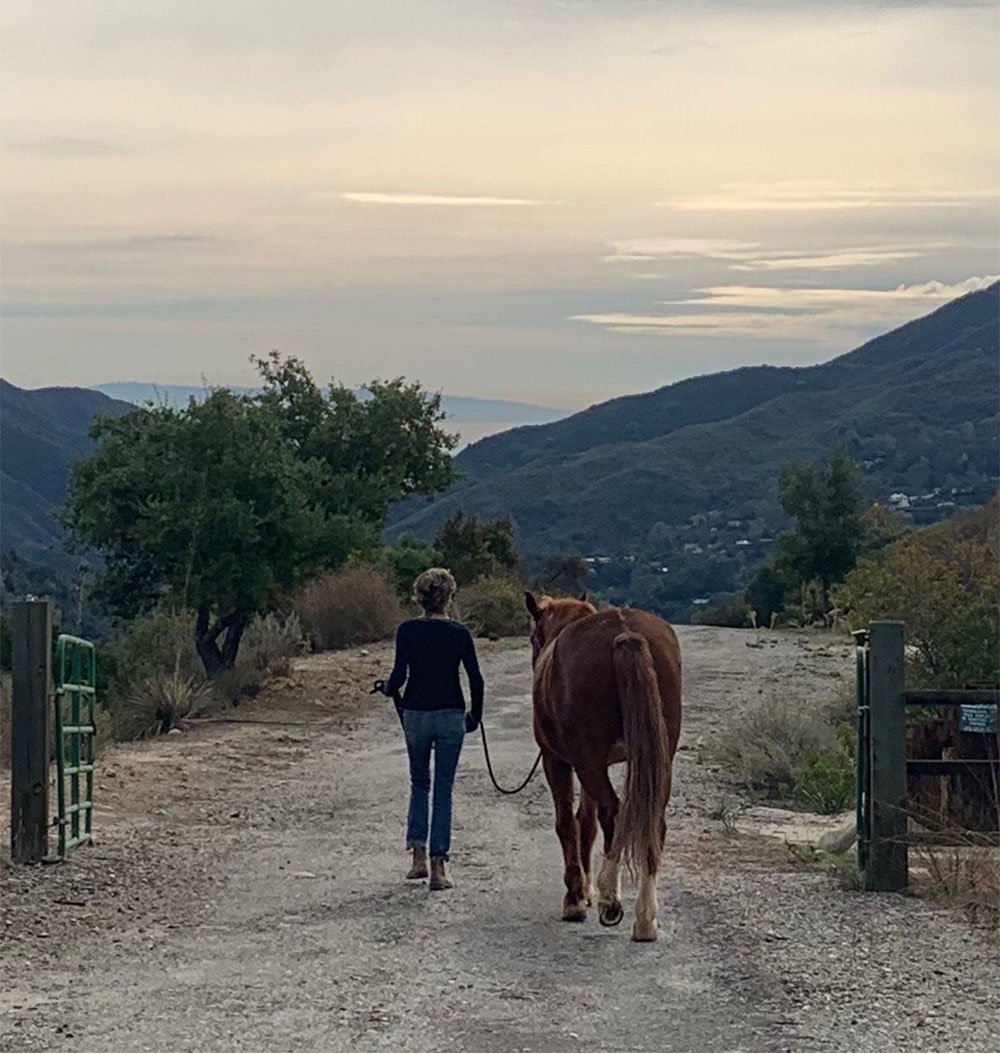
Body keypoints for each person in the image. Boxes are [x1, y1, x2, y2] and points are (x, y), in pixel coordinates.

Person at [382, 567, 484, 890]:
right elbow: (476, 679)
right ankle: (441, 866)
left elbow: (399, 678)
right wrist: (475, 716)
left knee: (419, 783)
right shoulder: (459, 633)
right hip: (451, 714)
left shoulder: (407, 631)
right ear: (449, 597)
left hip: (416, 714)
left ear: (419, 597)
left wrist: (386, 688)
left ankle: (418, 857)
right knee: (443, 787)